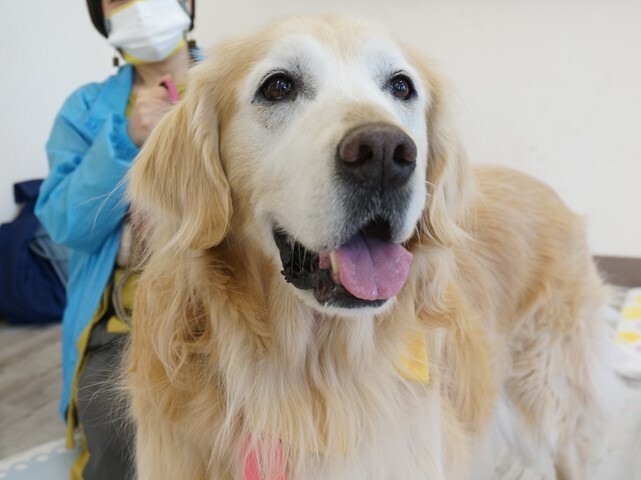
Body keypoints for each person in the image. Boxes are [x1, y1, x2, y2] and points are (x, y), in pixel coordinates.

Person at [35, 1, 201, 478]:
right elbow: (66, 225)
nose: (139, 7)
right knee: (121, 441)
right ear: (102, 17)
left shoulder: (244, 84)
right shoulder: (83, 110)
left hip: (231, 309)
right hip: (126, 325)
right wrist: (125, 138)